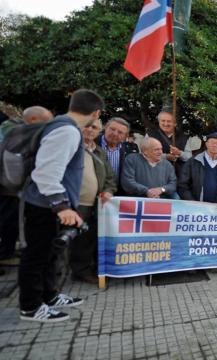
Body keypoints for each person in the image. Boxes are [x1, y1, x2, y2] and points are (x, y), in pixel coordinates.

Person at [19, 89, 104, 322]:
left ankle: (49, 295)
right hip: (45, 206)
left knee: (50, 255)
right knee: (37, 256)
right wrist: (62, 206)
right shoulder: (66, 131)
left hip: (50, 205)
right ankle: (31, 306)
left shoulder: (63, 126)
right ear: (96, 113)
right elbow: (46, 172)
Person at [0, 106, 53, 261]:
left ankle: (8, 250)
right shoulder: (18, 131)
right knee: (8, 221)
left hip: (13, 187)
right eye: (46, 121)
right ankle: (4, 254)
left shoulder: (15, 130)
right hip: (9, 187)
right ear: (33, 120)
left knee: (14, 222)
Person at [69, 119, 117, 283]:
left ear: (99, 131)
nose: (90, 130)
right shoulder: (71, 147)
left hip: (97, 204)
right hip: (74, 203)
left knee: (89, 239)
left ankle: (85, 270)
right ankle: (74, 272)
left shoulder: (100, 152)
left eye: (94, 127)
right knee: (73, 240)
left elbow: (110, 177)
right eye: (87, 126)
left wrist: (109, 191)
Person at [177, 132, 217, 207]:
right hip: (194, 208)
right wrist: (190, 200)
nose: (214, 145)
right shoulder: (193, 162)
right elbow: (182, 184)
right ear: (206, 144)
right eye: (212, 142)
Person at [96, 117, 139, 192]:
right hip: (93, 192)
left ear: (125, 136)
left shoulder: (128, 150)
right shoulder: (92, 143)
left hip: (116, 196)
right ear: (105, 127)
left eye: (120, 132)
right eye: (112, 129)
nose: (115, 133)